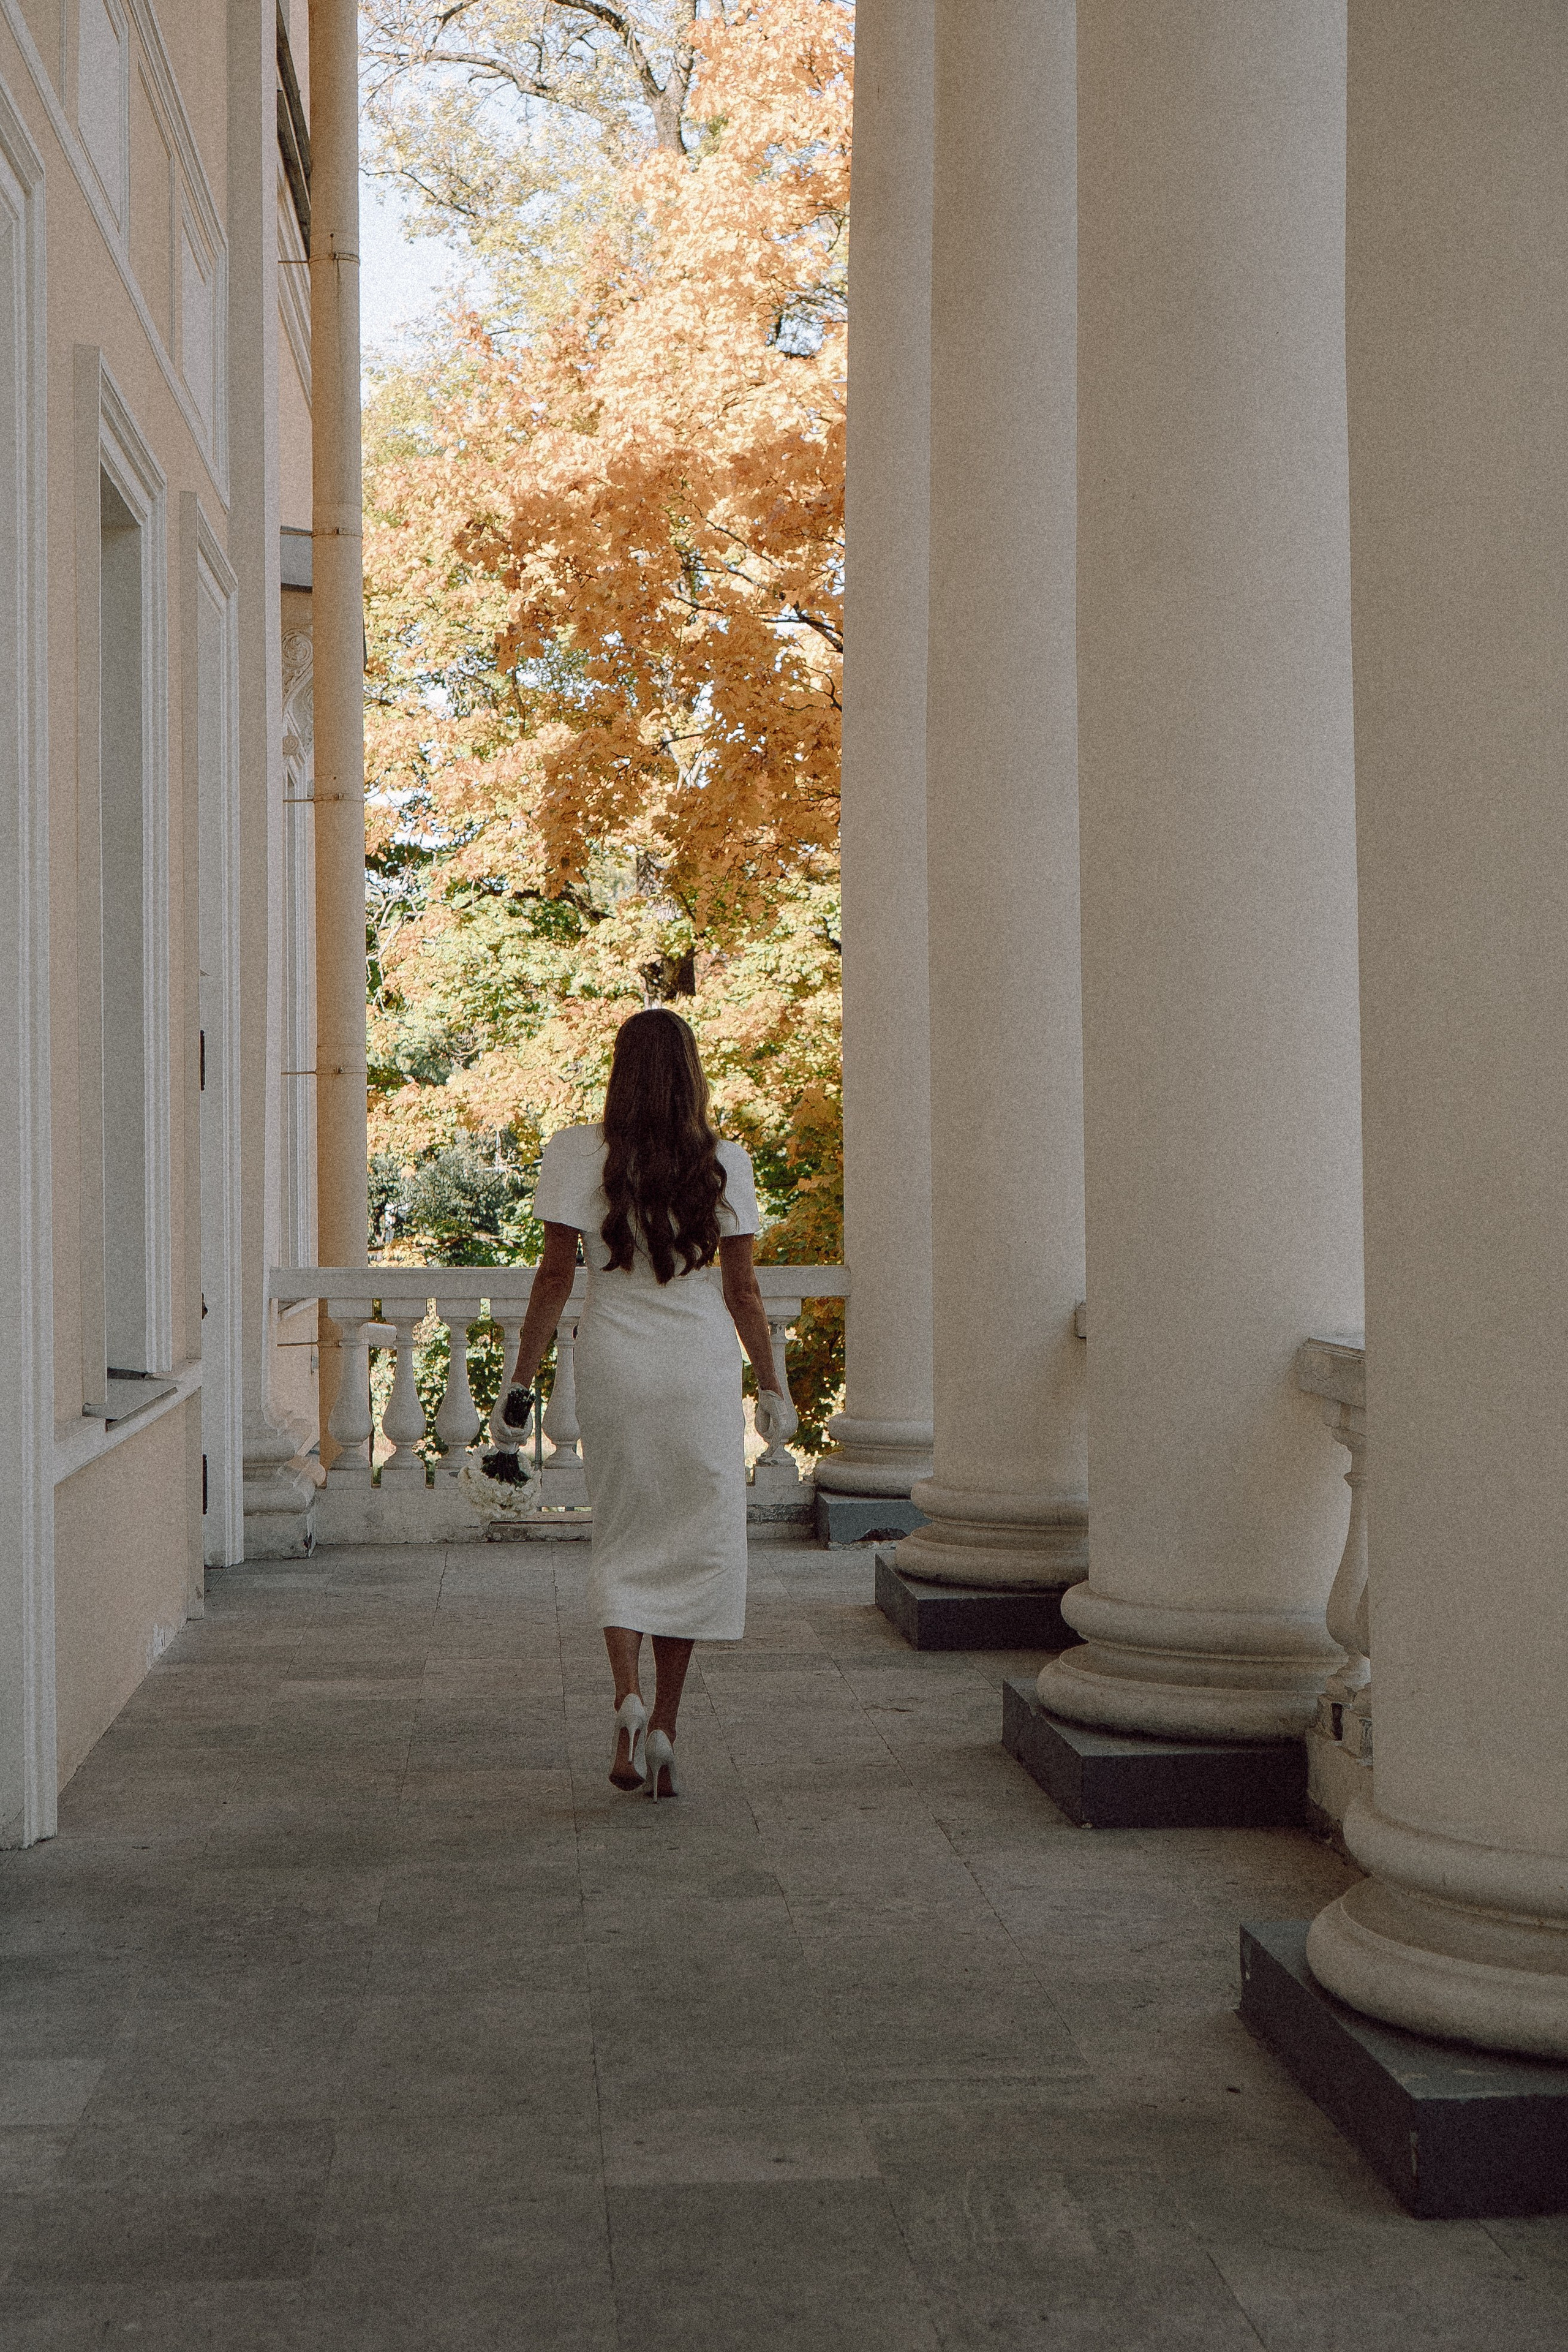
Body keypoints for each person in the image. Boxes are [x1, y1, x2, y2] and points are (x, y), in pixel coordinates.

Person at [494, 1008, 797, 1798]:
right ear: (692, 1073)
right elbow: (743, 1291)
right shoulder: (726, 1163)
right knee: (692, 1540)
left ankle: (625, 1703)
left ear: (620, 1073)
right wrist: (773, 1386)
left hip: (616, 1362)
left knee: (625, 1534)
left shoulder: (575, 1153)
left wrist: (520, 1383)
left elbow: (554, 1278)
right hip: (698, 1368)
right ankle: (664, 1725)